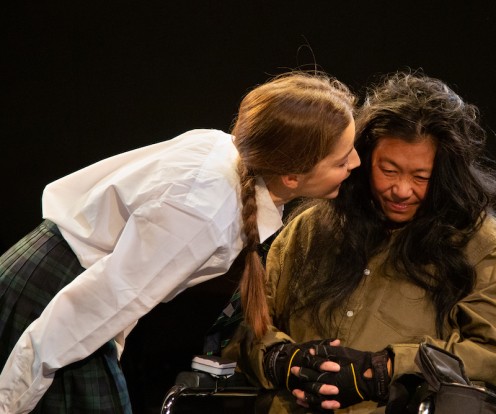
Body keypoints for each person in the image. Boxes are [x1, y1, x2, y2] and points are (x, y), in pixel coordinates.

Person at [0, 70, 361, 414]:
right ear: (291, 176)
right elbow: (97, 303)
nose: (356, 163)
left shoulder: (225, 153)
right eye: (342, 160)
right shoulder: (204, 213)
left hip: (62, 285)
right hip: (56, 301)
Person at [228, 71, 496, 413]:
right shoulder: (307, 230)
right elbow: (250, 327)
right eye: (389, 170)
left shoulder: (484, 244)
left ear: (446, 176)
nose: (401, 190)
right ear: (364, 160)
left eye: (420, 177)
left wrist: (383, 370)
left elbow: (495, 350)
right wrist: (283, 359)